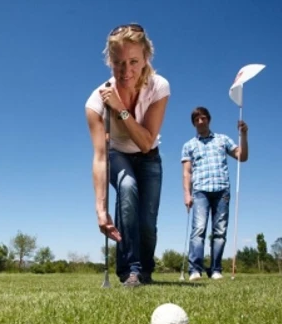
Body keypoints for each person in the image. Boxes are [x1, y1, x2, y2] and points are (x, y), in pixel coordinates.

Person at [85, 24, 170, 287]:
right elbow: (100, 157)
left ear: (146, 58)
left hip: (149, 156)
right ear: (110, 61)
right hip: (117, 154)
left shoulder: (159, 87)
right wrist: (100, 210)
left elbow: (145, 142)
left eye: (134, 61)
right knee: (127, 188)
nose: (126, 70)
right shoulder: (95, 102)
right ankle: (130, 270)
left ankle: (145, 270)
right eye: (119, 63)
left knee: (147, 221)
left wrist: (121, 109)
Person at [181, 107, 249, 280]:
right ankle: (195, 270)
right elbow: (187, 172)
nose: (200, 121)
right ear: (193, 123)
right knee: (199, 230)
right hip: (200, 191)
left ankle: (216, 269)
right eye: (197, 119)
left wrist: (243, 135)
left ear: (209, 120)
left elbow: (242, 156)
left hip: (222, 190)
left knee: (219, 232)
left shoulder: (222, 139)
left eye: (203, 118)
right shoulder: (189, 145)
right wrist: (187, 194)